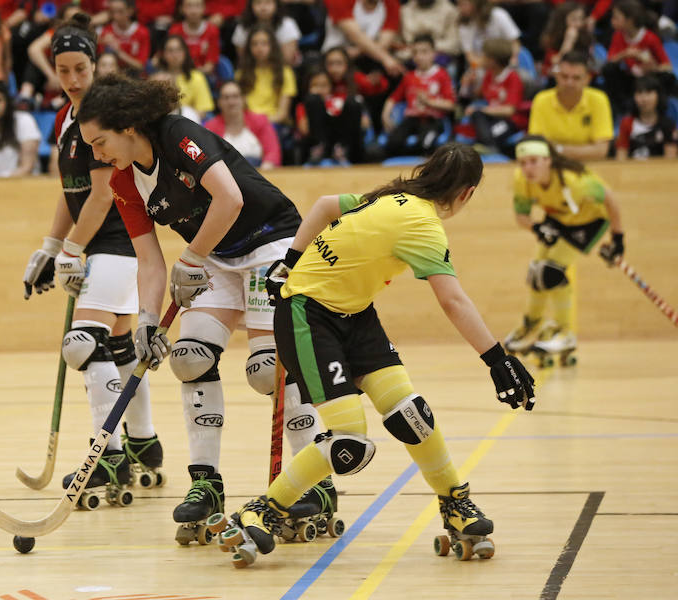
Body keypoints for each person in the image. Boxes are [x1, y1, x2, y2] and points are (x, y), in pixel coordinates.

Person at [214, 143, 536, 568]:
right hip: (307, 315)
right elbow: (453, 302)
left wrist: (290, 259)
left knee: (411, 413)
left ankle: (456, 503)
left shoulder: (387, 197)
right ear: (467, 194)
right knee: (350, 441)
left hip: (355, 315)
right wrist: (498, 360)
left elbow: (326, 205)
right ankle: (261, 511)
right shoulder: (423, 224)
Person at [75, 73, 327, 543]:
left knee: (266, 368)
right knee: (189, 358)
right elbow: (149, 260)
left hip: (269, 244)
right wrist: (147, 322)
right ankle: (206, 484)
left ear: (128, 126)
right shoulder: (124, 182)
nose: (97, 154)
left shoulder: (178, 134)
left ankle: (316, 480)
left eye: (100, 141)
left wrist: (190, 259)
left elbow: (229, 198)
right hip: (214, 256)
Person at [21, 13, 166, 499]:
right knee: (118, 351)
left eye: (80, 68)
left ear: (96, 63)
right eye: (62, 70)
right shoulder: (65, 119)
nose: (72, 80)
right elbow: (72, 190)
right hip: (96, 243)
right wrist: (50, 246)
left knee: (82, 343)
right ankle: (144, 445)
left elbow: (103, 194)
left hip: (121, 239)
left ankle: (108, 459)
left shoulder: (102, 114)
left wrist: (72, 248)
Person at [505, 135, 625, 360]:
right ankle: (531, 326)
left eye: (534, 161)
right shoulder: (522, 180)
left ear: (548, 160)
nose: (527, 168)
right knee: (536, 273)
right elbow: (521, 216)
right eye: (523, 162)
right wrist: (537, 228)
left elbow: (611, 199)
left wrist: (618, 238)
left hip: (590, 221)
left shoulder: (574, 181)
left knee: (551, 272)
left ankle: (564, 332)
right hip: (559, 217)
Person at [528, 50, 613, 161]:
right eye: (564, 77)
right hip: (552, 166)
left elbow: (601, 151)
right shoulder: (541, 100)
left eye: (576, 78)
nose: (569, 83)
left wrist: (558, 149)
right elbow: (537, 148)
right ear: (556, 76)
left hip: (589, 166)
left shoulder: (599, 99)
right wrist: (586, 150)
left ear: (587, 79)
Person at [381, 34, 455, 157]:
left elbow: (450, 105)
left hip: (433, 120)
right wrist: (385, 115)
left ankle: (423, 167)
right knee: (392, 143)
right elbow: (393, 98)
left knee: (425, 144)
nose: (419, 57)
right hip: (412, 119)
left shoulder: (442, 74)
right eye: (415, 52)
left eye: (424, 52)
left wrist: (429, 102)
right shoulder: (409, 77)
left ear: (434, 53)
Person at [601, 0, 673, 117]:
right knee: (609, 70)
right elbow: (610, 60)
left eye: (616, 17)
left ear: (629, 21)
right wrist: (625, 54)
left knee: (668, 77)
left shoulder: (650, 38)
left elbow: (667, 66)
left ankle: (659, 111)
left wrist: (652, 67)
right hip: (630, 79)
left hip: (648, 78)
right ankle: (621, 109)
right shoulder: (618, 35)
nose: (612, 21)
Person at [464, 38, 526, 157]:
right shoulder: (489, 75)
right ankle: (487, 146)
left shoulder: (513, 78)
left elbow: (509, 110)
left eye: (484, 56)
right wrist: (470, 83)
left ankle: (489, 147)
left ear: (493, 61)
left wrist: (481, 110)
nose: (481, 59)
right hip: (492, 118)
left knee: (482, 124)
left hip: (510, 121)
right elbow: (479, 94)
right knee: (476, 115)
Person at [203, 80, 281, 169]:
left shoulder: (260, 121)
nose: (231, 102)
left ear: (243, 99)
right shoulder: (211, 127)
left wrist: (264, 172)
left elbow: (272, 152)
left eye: (235, 96)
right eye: (226, 97)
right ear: (219, 102)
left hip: (259, 173)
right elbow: (208, 160)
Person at [296, 66, 364, 165]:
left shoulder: (340, 101)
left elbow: (364, 124)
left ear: (331, 87)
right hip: (317, 140)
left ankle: (341, 150)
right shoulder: (303, 105)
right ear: (308, 88)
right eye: (315, 85)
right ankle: (319, 148)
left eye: (324, 85)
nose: (320, 90)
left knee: (353, 103)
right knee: (313, 100)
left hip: (342, 139)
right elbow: (304, 130)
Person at [320, 0, 404, 78]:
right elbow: (354, 35)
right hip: (334, 52)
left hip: (367, 56)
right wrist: (386, 59)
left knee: (394, 72)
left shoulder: (391, 3)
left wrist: (359, 51)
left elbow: (385, 42)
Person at [236, 24, 297, 126]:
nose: (259, 48)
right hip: (247, 123)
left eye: (264, 43)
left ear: (273, 46)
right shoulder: (241, 74)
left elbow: (282, 114)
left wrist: (260, 123)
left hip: (273, 123)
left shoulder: (285, 72)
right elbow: (240, 109)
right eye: (254, 44)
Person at [615, 75, 678, 160]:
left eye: (649, 92)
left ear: (658, 95)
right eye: (639, 93)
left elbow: (671, 160)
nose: (644, 99)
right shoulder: (627, 123)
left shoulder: (668, 125)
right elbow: (621, 158)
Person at [155, 34, 215, 121]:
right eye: (170, 50)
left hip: (189, 123)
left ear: (185, 52)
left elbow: (202, 111)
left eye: (178, 50)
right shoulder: (158, 79)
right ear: (163, 54)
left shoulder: (197, 77)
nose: (175, 55)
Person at [232, 0, 301, 66]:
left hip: (281, 70)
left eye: (268, 2)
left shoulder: (287, 24)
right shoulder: (242, 26)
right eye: (258, 2)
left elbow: (287, 59)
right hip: (251, 71)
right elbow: (243, 58)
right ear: (250, 6)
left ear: (276, 4)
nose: (263, 7)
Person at [540, 2, 593, 80]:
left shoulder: (585, 37)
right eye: (574, 19)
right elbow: (555, 64)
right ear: (562, 20)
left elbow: (587, 63)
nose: (578, 23)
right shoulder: (552, 38)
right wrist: (568, 41)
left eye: (581, 19)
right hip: (555, 77)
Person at [168, 0, 220, 77]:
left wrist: (192, 75)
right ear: (182, 9)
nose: (193, 11)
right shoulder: (174, 30)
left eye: (197, 6)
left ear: (204, 8)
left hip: (203, 76)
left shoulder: (212, 30)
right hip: (177, 74)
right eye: (189, 6)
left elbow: (210, 67)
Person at [98, 0, 151, 74]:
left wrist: (118, 51)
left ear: (130, 11)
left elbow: (141, 66)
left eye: (120, 11)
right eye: (113, 12)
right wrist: (101, 41)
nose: (115, 16)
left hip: (133, 74)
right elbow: (101, 61)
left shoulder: (142, 32)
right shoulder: (107, 30)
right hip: (111, 73)